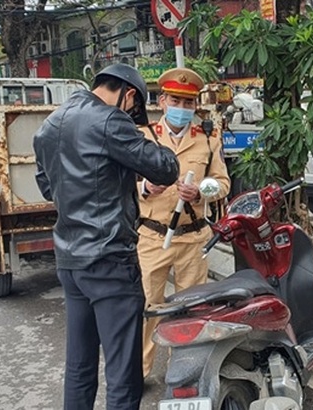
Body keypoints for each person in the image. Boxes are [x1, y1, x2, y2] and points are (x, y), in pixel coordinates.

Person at [32, 63, 180, 410]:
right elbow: (165, 167)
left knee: (80, 367)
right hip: (110, 262)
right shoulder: (110, 121)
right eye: (133, 106)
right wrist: (155, 140)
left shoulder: (51, 124)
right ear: (129, 94)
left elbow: (46, 187)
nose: (131, 114)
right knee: (123, 375)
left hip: (71, 262)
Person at [138, 67, 231, 378]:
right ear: (162, 101)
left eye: (188, 103)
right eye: (176, 101)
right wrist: (144, 187)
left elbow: (222, 183)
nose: (182, 109)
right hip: (152, 238)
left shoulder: (207, 138)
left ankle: (186, 372)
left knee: (192, 310)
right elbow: (120, 183)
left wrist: (200, 192)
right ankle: (140, 371)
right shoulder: (145, 136)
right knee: (148, 307)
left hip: (193, 239)